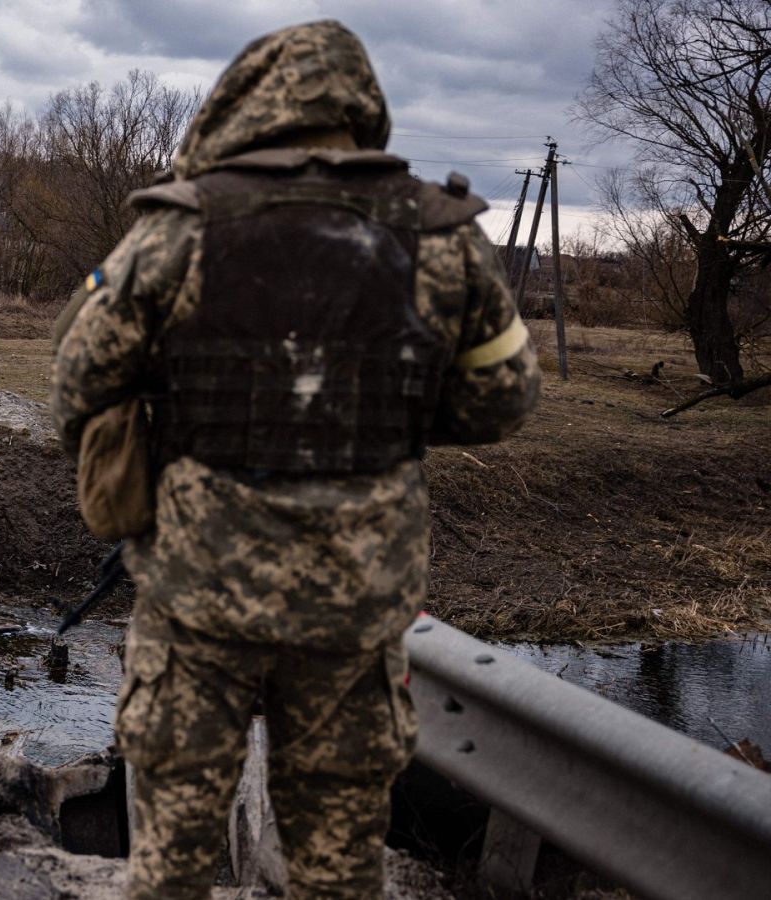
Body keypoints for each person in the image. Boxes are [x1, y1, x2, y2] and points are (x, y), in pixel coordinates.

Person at [51, 20, 540, 900]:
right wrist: (378, 412)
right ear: (362, 106)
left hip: (199, 600)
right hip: (354, 606)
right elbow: (504, 398)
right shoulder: (439, 233)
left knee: (170, 864)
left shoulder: (181, 225)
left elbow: (79, 376)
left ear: (245, 103)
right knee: (339, 864)